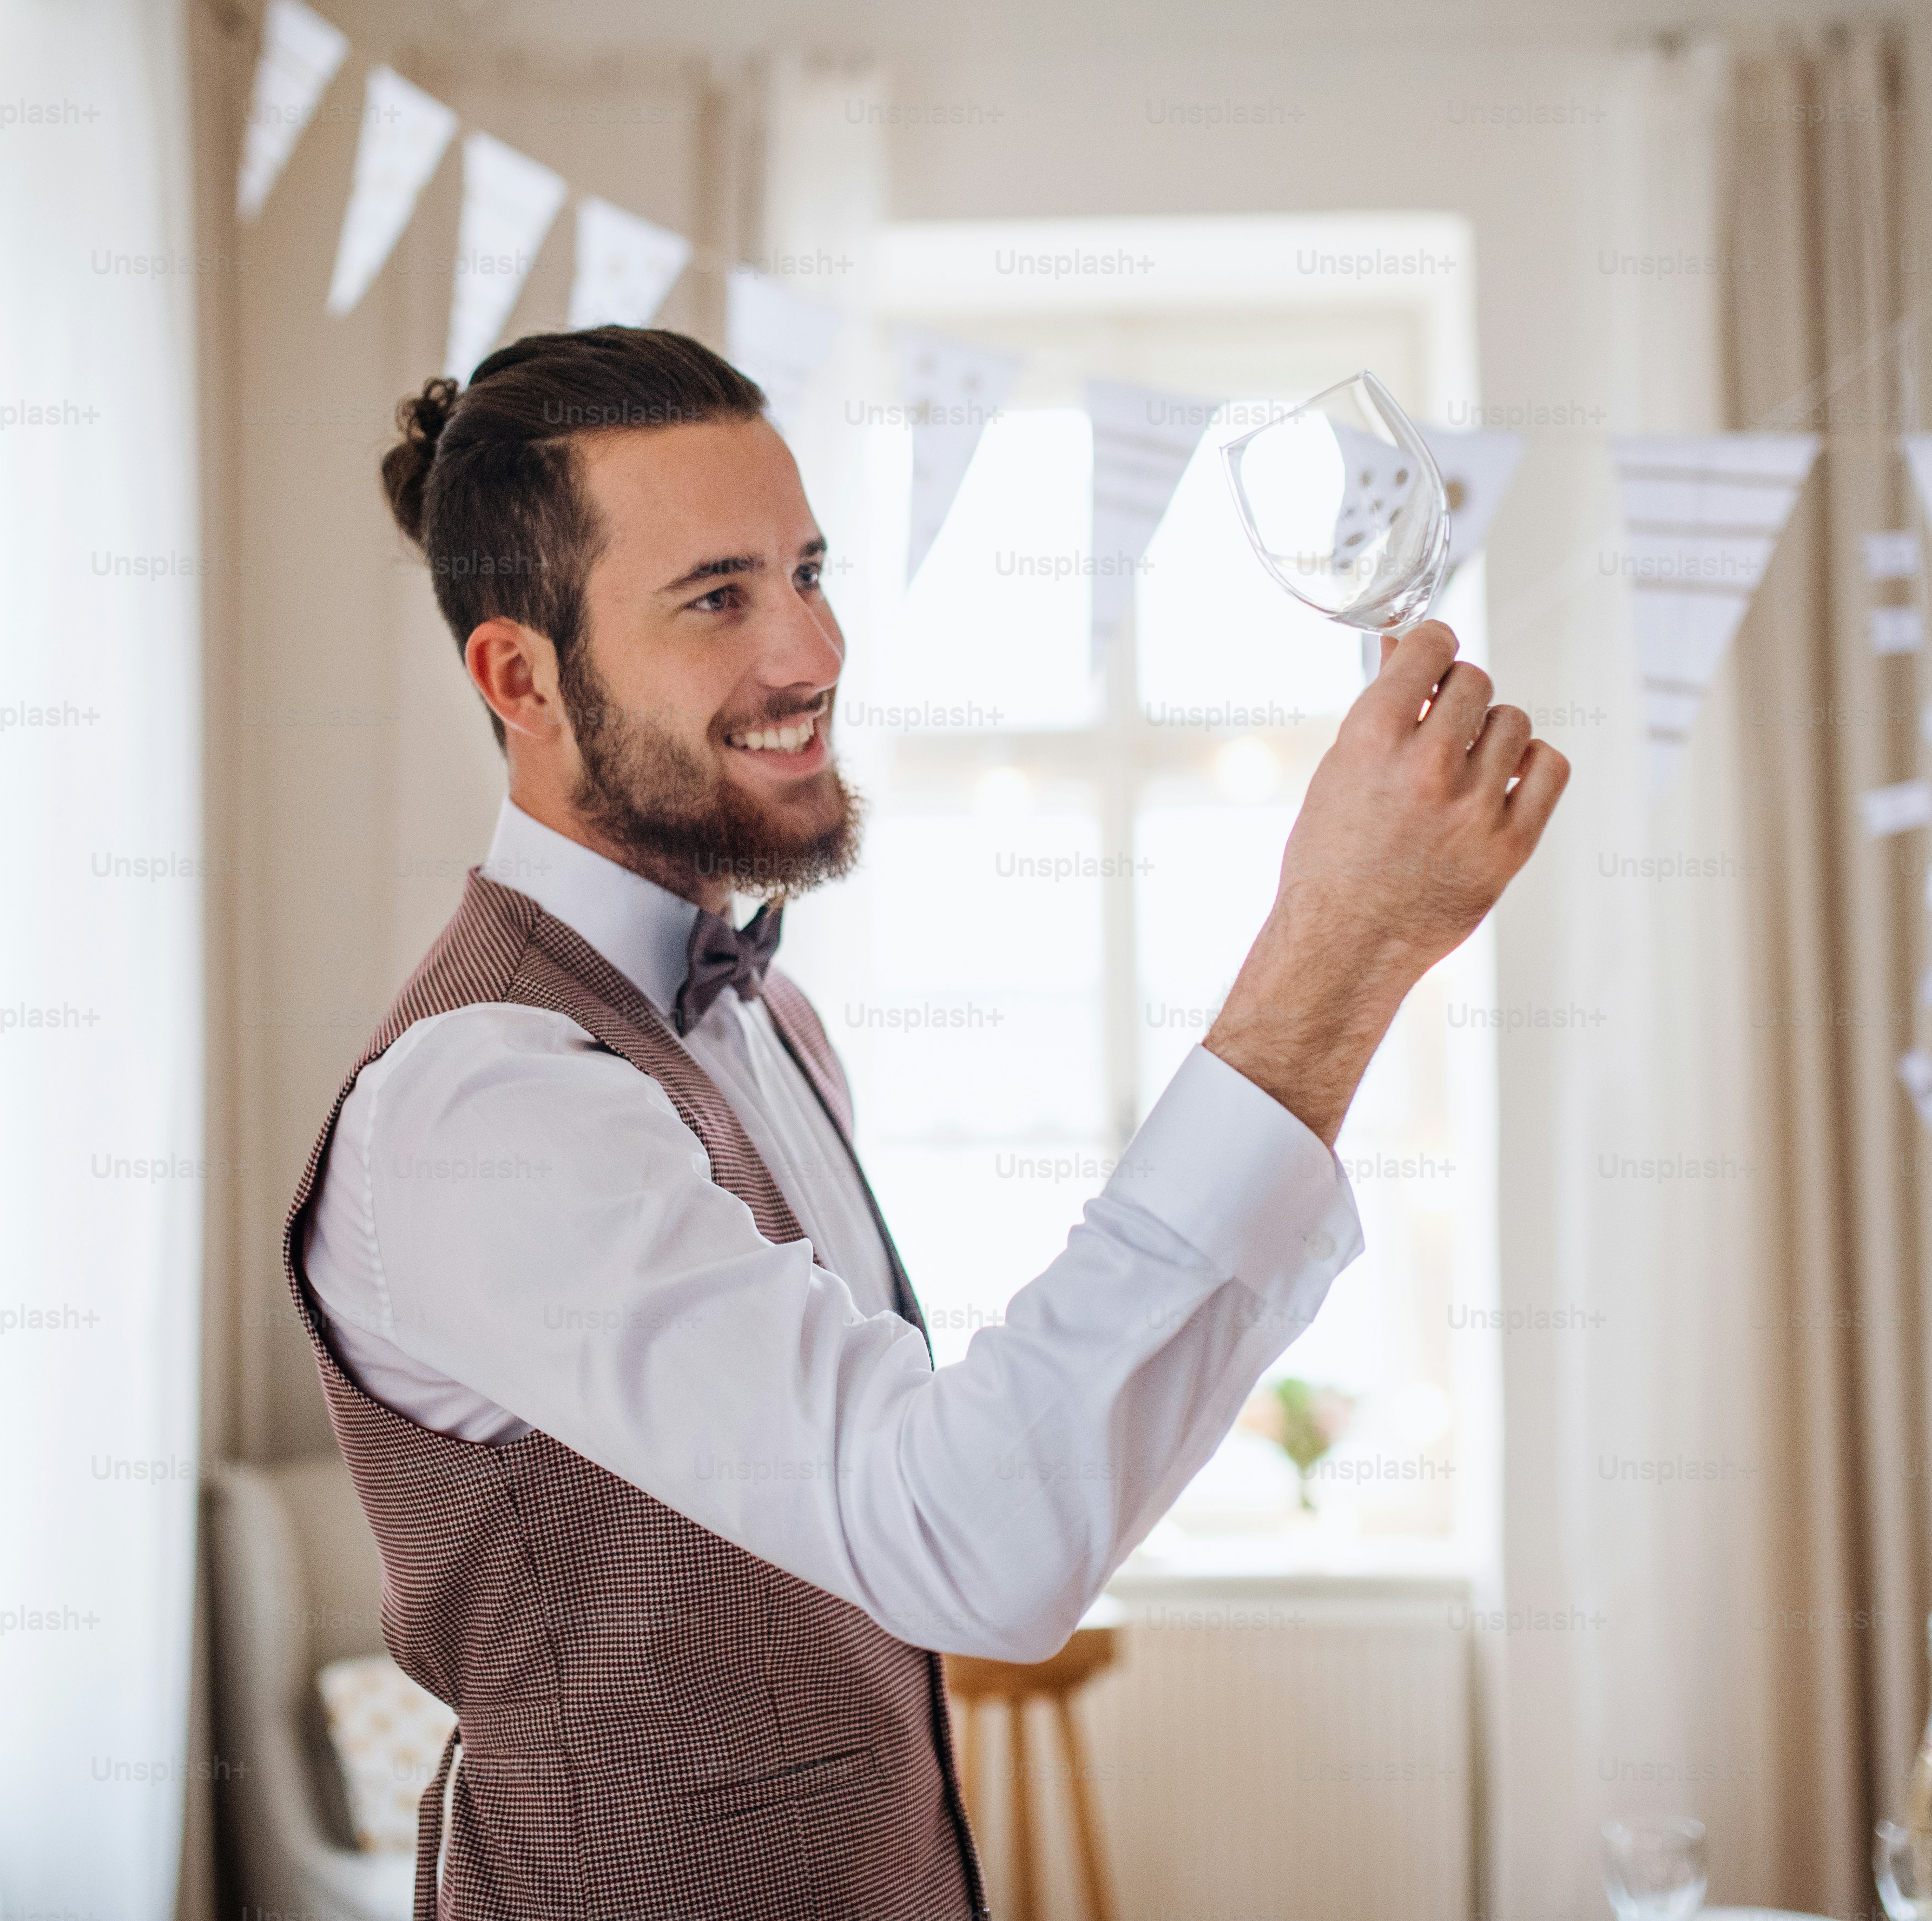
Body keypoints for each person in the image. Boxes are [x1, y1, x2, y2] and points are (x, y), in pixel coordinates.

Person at [283, 326, 1566, 1918]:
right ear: (520, 677)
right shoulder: (486, 1105)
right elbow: (971, 1538)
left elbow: (941, 1483)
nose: (811, 651)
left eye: (807, 571)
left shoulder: (764, 1017)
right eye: (717, 598)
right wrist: (1340, 950)